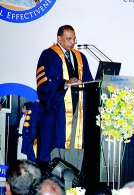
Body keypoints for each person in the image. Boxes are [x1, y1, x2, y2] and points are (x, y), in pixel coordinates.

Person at [36, 25, 93, 171]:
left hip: (78, 110)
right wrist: (65, 83)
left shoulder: (81, 57)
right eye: (68, 39)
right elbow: (43, 82)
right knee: (59, 144)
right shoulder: (48, 55)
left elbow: (88, 80)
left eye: (74, 39)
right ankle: (58, 184)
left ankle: (75, 183)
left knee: (75, 143)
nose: (72, 42)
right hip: (58, 111)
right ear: (59, 39)